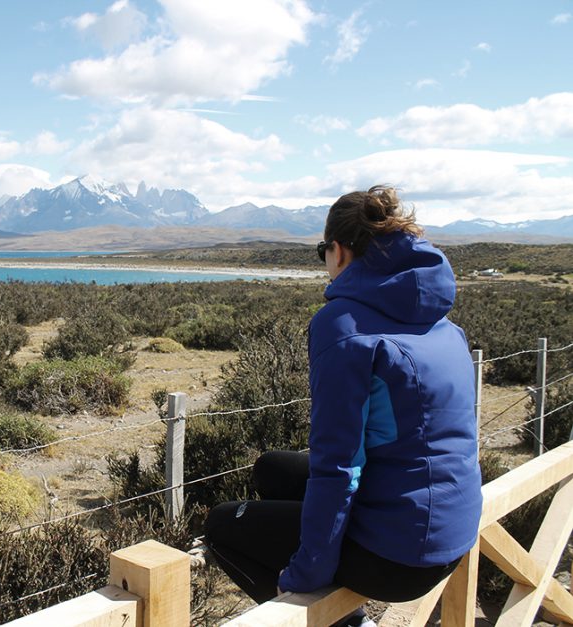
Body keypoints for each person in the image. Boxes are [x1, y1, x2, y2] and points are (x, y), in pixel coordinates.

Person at [203, 186, 483, 624]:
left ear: (340, 251)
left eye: (322, 252)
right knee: (271, 470)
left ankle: (346, 623)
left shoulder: (342, 326)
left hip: (398, 559)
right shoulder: (443, 323)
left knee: (222, 525)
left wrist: (305, 574)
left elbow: (339, 465)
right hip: (453, 532)